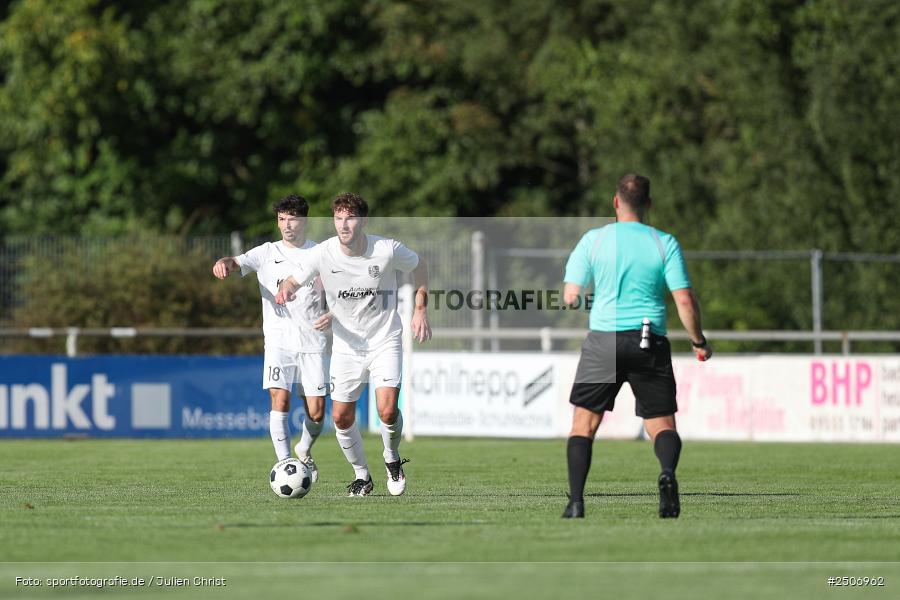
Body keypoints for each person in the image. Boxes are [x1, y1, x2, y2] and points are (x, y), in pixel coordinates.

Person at [561, 174, 712, 519]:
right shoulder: (664, 243)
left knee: (584, 425)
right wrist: (698, 341)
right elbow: (685, 300)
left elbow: (571, 296)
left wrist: (593, 300)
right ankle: (667, 475)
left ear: (616, 202)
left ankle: (576, 503)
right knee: (662, 425)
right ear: (649, 205)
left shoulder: (593, 241)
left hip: (603, 340)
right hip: (649, 339)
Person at [275, 193, 431, 497]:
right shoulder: (323, 253)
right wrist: (286, 290)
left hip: (384, 339)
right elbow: (294, 279)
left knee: (387, 411)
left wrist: (421, 309)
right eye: (338, 218)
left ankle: (392, 458)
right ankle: (362, 476)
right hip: (347, 347)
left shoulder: (385, 250)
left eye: (350, 218)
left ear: (364, 221)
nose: (343, 225)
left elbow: (420, 266)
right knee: (340, 417)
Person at [212, 194, 331, 481]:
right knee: (279, 400)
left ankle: (303, 450)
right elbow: (237, 261)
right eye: (281, 219)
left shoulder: (322, 253)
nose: (286, 225)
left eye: (292, 219)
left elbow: (342, 289)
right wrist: (224, 262)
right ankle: (286, 465)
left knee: (316, 413)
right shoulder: (266, 252)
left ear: (304, 221)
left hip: (314, 342)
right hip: (278, 342)